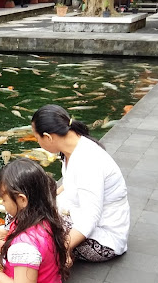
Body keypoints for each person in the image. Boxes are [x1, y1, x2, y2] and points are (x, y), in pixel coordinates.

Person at [31, 104, 130, 263]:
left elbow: (90, 219)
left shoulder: (88, 161)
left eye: (37, 138)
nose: (37, 142)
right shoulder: (73, 148)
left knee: (36, 233)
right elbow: (71, 184)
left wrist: (62, 250)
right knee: (31, 208)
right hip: (82, 218)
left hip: (104, 242)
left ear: (48, 137)